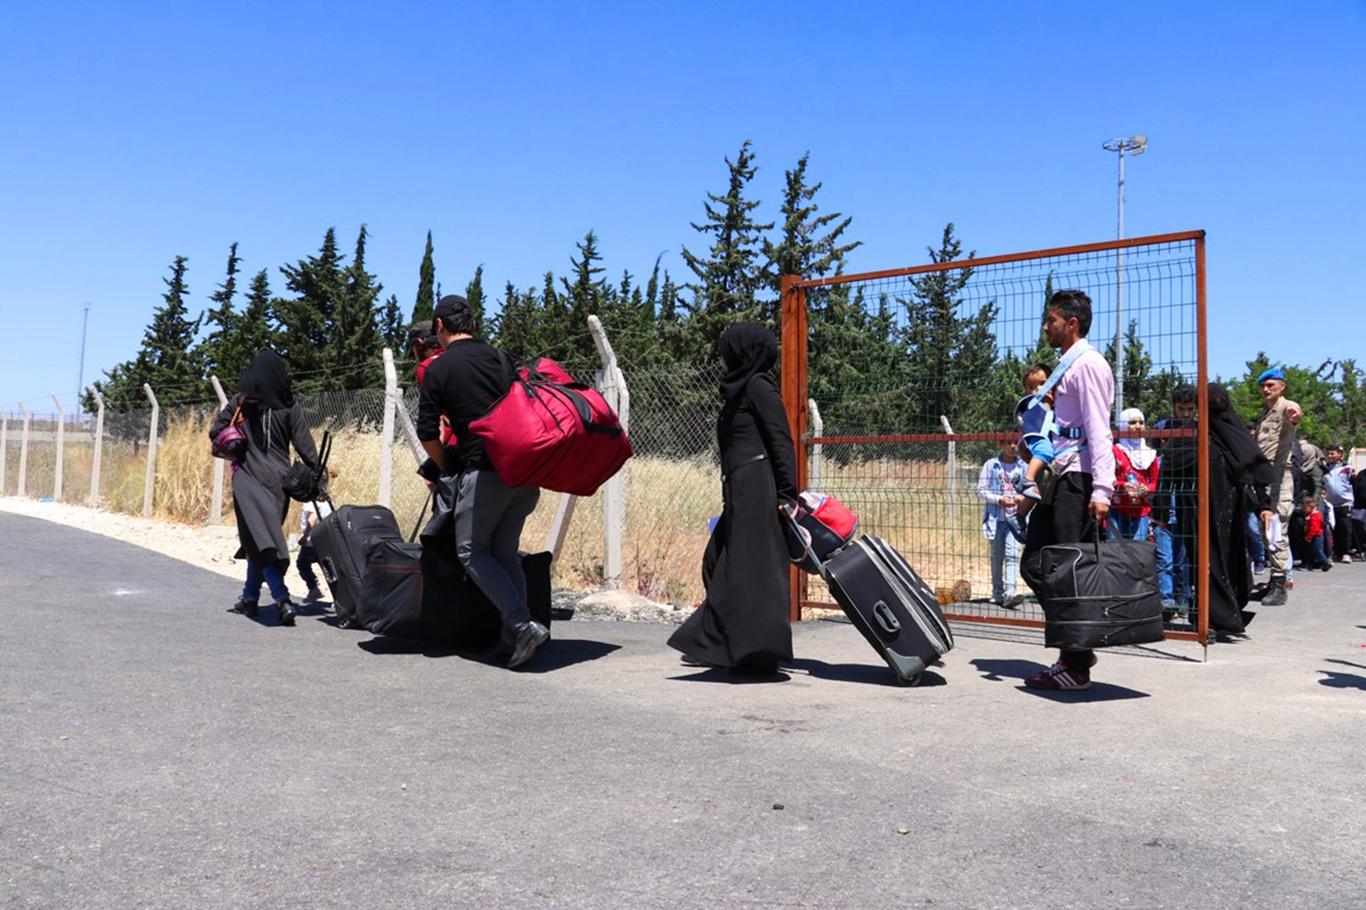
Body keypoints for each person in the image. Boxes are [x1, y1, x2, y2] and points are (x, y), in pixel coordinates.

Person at [417, 295, 548, 669]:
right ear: (472, 324)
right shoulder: (501, 358)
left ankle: (522, 626)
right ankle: (512, 639)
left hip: (485, 472)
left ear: (439, 326)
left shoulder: (438, 368)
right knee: (504, 551)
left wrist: (446, 465)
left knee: (472, 552)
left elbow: (428, 434)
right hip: (523, 472)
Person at [668, 322, 796, 674]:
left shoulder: (758, 386)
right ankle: (727, 644)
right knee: (716, 562)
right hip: (739, 487)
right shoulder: (740, 389)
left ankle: (754, 652)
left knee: (744, 570)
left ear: (742, 353)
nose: (721, 358)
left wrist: (787, 494)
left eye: (726, 351)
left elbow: (781, 440)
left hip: (757, 489)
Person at [1020, 290, 1115, 691]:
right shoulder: (1067, 366)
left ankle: (1074, 664)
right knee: (1035, 565)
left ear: (1071, 324)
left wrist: (1103, 490)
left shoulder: (1088, 365)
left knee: (1066, 573)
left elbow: (1099, 429)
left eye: (1052, 320)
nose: (1046, 327)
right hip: (1059, 476)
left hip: (1079, 479)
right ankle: (1078, 647)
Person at [209, 350, 319, 626]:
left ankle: (282, 598)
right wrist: (318, 477)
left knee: (260, 541)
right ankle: (249, 598)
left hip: (247, 478)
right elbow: (305, 446)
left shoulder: (242, 402)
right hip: (279, 483)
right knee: (260, 539)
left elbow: (216, 432)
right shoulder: (290, 406)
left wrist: (236, 437)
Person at [1205, 383, 1279, 637]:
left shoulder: (1237, 435)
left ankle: (1228, 611)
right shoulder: (1198, 434)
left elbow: (1255, 471)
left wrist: (1264, 507)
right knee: (1209, 561)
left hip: (1232, 510)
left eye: (1219, 403)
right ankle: (1213, 617)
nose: (1216, 409)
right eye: (1211, 404)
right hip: (1203, 510)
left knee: (1231, 559)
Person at [1152, 385, 1196, 621]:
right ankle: (1166, 600)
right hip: (1165, 499)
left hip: (1187, 499)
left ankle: (1184, 599)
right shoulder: (1163, 428)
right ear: (1173, 407)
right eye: (1181, 409)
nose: (1186, 414)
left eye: (1190, 409)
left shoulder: (1199, 428)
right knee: (1164, 557)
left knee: (1184, 556)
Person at [1254, 367, 1296, 606]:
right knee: (1266, 531)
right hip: (1265, 477)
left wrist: (1295, 414)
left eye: (1270, 385)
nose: (1266, 389)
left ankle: (1281, 585)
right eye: (1263, 386)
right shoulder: (1264, 414)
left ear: (1282, 386)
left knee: (1277, 529)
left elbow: (1295, 412)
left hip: (1280, 477)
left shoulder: (1285, 406)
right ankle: (1274, 581)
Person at [976, 439, 1026, 608]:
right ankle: (997, 592)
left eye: (1015, 442)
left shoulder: (1023, 466)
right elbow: (981, 491)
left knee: (1013, 554)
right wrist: (999, 499)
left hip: (1016, 518)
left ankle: (1010, 592)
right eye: (1008, 442)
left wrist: (1022, 498)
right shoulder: (991, 465)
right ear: (1000, 444)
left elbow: (1030, 489)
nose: (1012, 446)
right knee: (997, 556)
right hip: (996, 518)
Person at [1110, 407, 1159, 541]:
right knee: (1114, 550)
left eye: (1141, 422)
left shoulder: (1150, 454)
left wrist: (1147, 489)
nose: (1138, 426)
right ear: (1123, 426)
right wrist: (1122, 486)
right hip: (1117, 510)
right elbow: (1107, 478)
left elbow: (1155, 481)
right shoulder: (1115, 451)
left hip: (1141, 511)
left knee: (1138, 550)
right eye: (1132, 423)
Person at [1014, 363, 1059, 506]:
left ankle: (1020, 514)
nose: (1038, 389)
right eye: (1032, 387)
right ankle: (1027, 479)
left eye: (1043, 384)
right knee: (1045, 451)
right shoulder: (1033, 404)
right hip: (1038, 441)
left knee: (1037, 491)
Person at [295, 470, 336, 603]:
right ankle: (338, 596)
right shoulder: (328, 500)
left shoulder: (311, 501)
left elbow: (312, 519)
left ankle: (313, 588)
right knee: (328, 569)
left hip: (312, 541)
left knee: (302, 564)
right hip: (326, 540)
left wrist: (305, 536)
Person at [1322, 444, 1355, 563]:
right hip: (1330, 504)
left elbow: (1354, 482)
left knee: (1345, 527)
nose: (1330, 456)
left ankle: (1346, 553)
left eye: (1333, 453)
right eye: (1328, 454)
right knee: (1333, 528)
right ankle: (1336, 552)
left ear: (1340, 454)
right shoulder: (1325, 469)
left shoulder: (1348, 468)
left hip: (1345, 502)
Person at [1300, 496, 1333, 571]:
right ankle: (1311, 564)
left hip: (1317, 536)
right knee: (1311, 550)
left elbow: (1314, 528)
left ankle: (1325, 563)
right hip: (1313, 535)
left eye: (1305, 508)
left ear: (1311, 507)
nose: (1303, 510)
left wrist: (1309, 537)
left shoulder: (1315, 516)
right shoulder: (1310, 515)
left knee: (1317, 550)